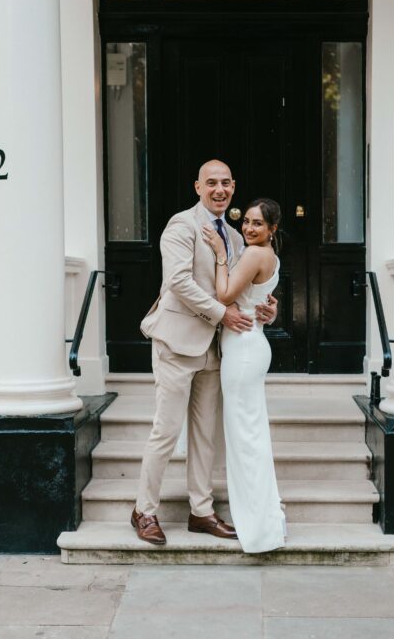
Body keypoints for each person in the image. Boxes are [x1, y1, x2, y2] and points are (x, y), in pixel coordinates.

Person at [134, 159, 277, 545]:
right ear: (197, 187)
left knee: (205, 436)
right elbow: (178, 282)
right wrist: (223, 313)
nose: (219, 189)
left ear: (233, 187)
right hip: (177, 343)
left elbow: (238, 285)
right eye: (211, 182)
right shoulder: (181, 226)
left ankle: (201, 511)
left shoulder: (233, 236)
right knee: (166, 431)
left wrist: (265, 306)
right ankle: (144, 511)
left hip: (217, 349)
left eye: (226, 183)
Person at [201, 198, 287, 553]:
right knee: (249, 435)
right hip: (250, 344)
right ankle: (264, 516)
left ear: (272, 230)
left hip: (245, 350)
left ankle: (259, 525)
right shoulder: (269, 256)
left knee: (246, 438)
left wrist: (221, 253)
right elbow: (262, 301)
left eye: (258, 224)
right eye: (247, 221)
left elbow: (224, 294)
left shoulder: (253, 254)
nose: (250, 228)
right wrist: (270, 308)